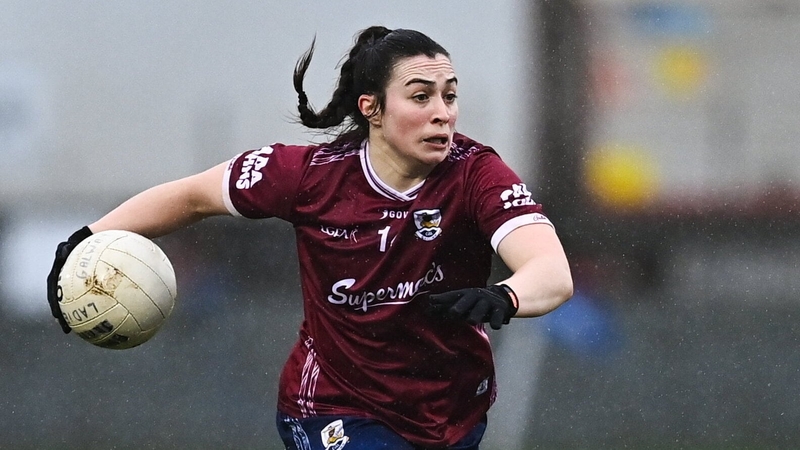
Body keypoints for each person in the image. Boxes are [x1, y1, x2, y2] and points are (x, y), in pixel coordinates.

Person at [46, 26, 573, 450]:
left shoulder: (477, 173)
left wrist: (505, 295)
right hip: (334, 407)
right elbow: (191, 196)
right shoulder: (308, 175)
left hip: (453, 410)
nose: (443, 112)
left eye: (450, 95)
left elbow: (551, 272)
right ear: (371, 108)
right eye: (421, 96)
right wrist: (85, 240)